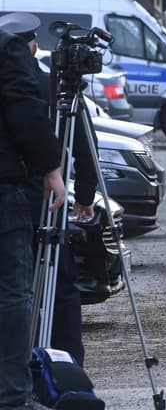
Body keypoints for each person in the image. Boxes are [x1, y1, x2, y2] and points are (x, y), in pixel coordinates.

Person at [0, 12, 96, 367]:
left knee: (14, 289)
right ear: (33, 45)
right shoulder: (50, 87)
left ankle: (17, 368)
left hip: (13, 194)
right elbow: (85, 147)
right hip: (45, 203)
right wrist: (84, 196)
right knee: (60, 288)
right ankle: (66, 366)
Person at [0, 28, 67, 410]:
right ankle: (12, 396)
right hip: (4, 187)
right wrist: (50, 169)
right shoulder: (7, 49)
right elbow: (27, 114)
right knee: (12, 295)